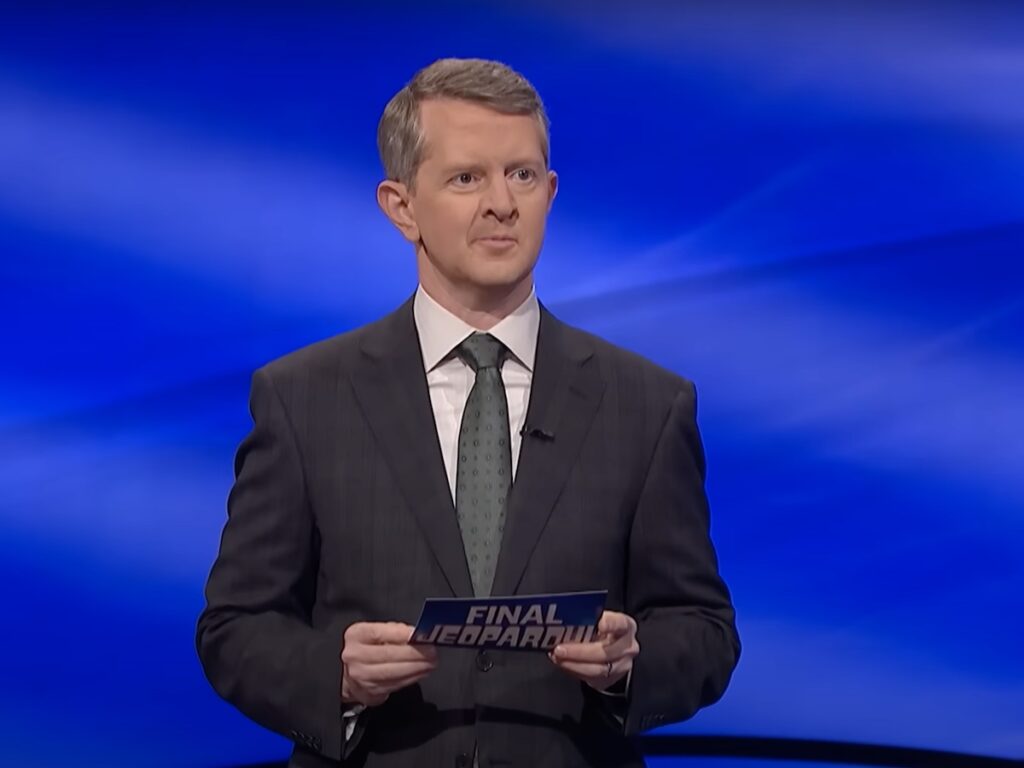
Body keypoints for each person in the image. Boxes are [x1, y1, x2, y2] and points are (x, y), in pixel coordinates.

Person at [197, 57, 739, 768]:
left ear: (550, 194)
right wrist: (336, 672)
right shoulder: (304, 398)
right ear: (401, 206)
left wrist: (630, 662)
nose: (501, 204)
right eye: (465, 178)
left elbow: (703, 629)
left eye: (521, 176)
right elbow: (236, 627)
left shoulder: (646, 403)